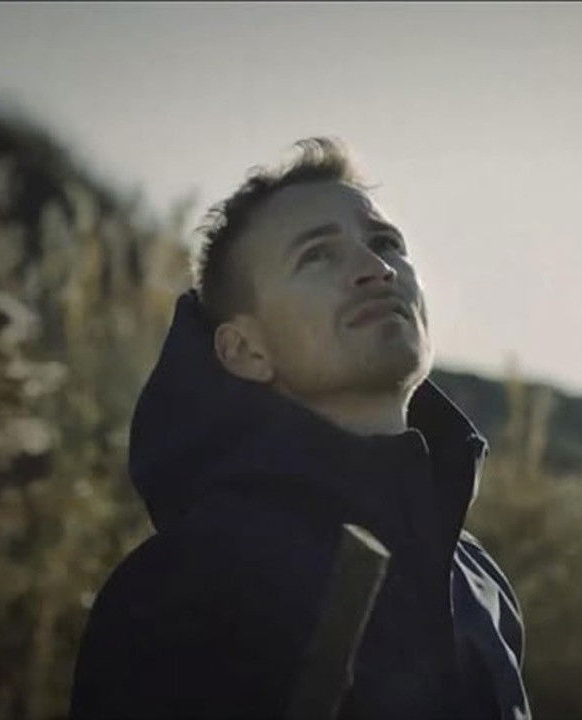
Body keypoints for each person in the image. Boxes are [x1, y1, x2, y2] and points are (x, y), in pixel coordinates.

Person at [69, 137, 530, 720]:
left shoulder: (479, 579)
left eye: (386, 243)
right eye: (317, 256)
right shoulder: (184, 583)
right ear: (246, 350)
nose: (377, 269)